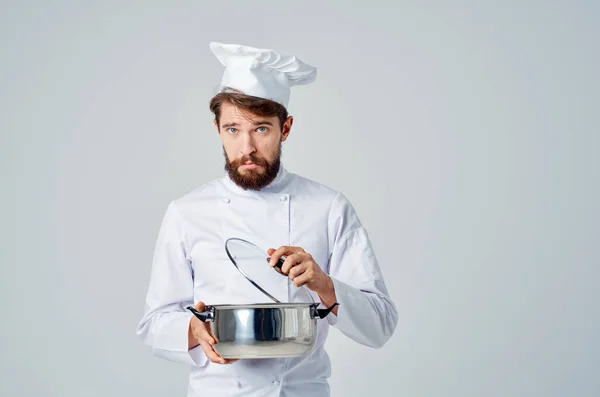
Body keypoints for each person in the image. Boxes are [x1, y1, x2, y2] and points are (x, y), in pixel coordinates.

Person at [136, 41, 398, 397]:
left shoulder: (327, 207)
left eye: (260, 129)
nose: (246, 148)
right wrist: (192, 330)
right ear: (217, 129)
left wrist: (324, 285)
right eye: (233, 129)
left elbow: (380, 326)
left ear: (285, 128)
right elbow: (154, 323)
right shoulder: (187, 213)